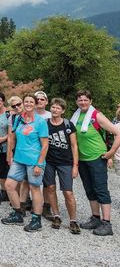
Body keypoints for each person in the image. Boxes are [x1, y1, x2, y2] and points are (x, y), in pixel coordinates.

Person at [71, 90, 120, 236]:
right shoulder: (76, 116)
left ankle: (107, 223)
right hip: (83, 158)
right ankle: (95, 218)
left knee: (100, 189)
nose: (83, 102)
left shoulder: (96, 115)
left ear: (90, 101)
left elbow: (118, 133)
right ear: (76, 102)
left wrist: (111, 152)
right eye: (80, 100)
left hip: (97, 158)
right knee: (89, 189)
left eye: (86, 100)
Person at [1, 94, 49, 232]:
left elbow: (45, 145)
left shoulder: (40, 122)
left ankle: (36, 219)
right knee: (9, 185)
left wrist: (40, 164)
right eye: (26, 101)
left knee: (34, 188)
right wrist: (10, 154)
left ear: (35, 104)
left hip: (34, 160)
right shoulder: (19, 119)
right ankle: (18, 213)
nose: (28, 104)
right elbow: (13, 137)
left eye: (31, 102)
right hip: (19, 159)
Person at [44, 98, 80, 233]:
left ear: (63, 111)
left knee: (68, 192)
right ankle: (57, 215)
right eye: (53, 107)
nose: (55, 110)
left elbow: (74, 146)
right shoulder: (45, 123)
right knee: (51, 188)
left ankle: (73, 220)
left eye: (58, 108)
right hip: (49, 161)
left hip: (65, 162)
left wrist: (75, 165)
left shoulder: (68, 125)